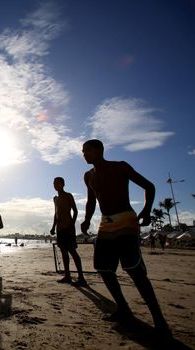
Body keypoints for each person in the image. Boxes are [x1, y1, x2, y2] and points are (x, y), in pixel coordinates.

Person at [80, 139, 170, 336]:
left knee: (134, 270)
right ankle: (124, 309)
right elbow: (91, 201)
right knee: (103, 268)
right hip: (106, 223)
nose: (83, 154)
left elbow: (149, 186)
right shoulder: (88, 176)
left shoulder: (120, 167)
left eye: (86, 150)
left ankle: (159, 320)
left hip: (126, 220)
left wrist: (146, 210)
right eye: (82, 151)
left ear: (99, 150)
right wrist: (86, 219)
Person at [50, 177, 87, 286]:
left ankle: (81, 277)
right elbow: (56, 213)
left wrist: (72, 223)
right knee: (63, 252)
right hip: (59, 229)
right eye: (54, 183)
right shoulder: (55, 198)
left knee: (72, 251)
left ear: (62, 184)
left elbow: (75, 211)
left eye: (57, 183)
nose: (55, 185)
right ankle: (67, 276)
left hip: (68, 227)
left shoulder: (68, 196)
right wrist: (53, 227)